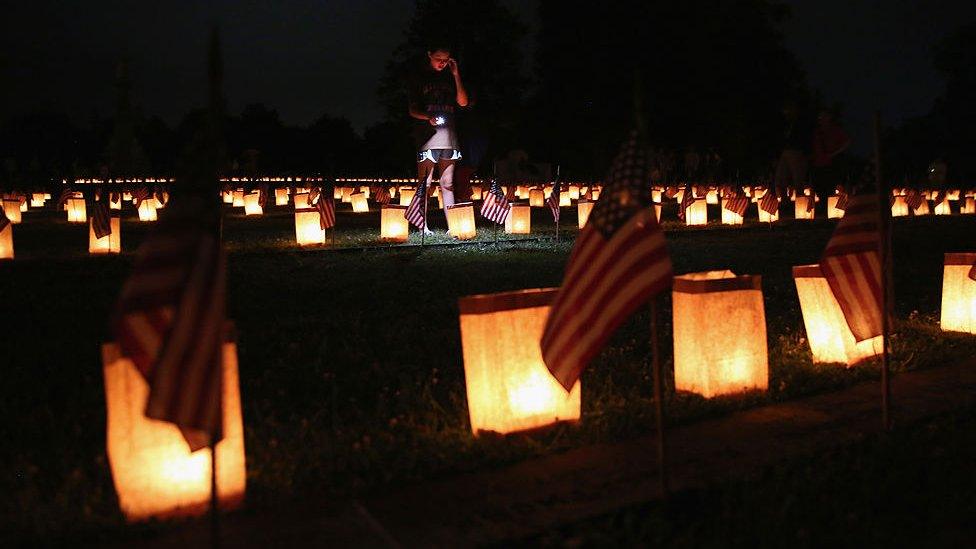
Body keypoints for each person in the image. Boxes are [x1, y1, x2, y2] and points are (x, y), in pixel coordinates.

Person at [407, 45, 469, 231]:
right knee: (424, 182)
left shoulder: (450, 77)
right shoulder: (419, 78)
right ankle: (421, 225)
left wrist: (456, 75)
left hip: (449, 135)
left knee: (448, 183)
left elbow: (463, 102)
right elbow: (412, 110)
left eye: (445, 59)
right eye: (438, 58)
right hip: (428, 136)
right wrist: (428, 118)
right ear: (429, 55)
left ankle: (453, 225)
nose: (442, 63)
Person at [810, 109, 851, 204]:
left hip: (830, 163)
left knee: (830, 187)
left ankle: (830, 207)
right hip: (818, 163)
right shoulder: (817, 132)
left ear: (829, 118)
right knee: (819, 187)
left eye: (823, 117)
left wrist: (834, 154)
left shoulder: (835, 130)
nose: (821, 119)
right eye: (820, 117)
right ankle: (823, 206)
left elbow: (847, 141)